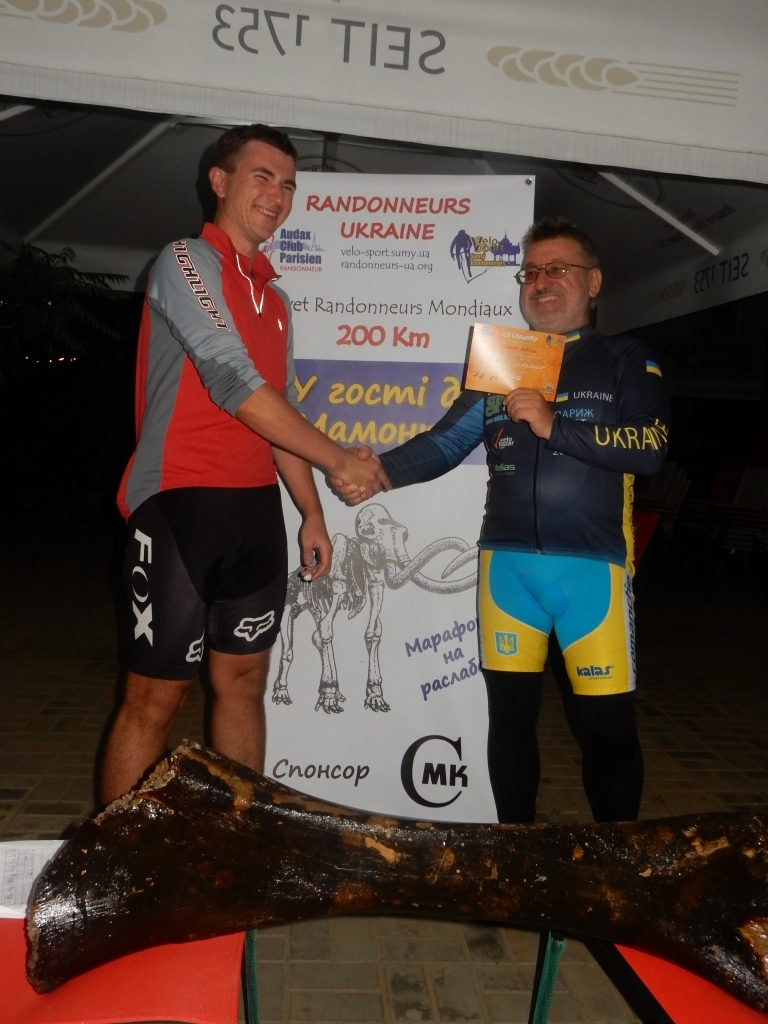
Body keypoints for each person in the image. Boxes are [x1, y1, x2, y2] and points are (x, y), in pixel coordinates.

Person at [342, 217, 669, 823]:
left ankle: (618, 861)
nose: (542, 282)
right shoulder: (504, 361)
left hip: (593, 574)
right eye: (532, 272)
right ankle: (514, 852)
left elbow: (649, 447)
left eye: (558, 269)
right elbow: (444, 444)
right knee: (511, 722)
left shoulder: (626, 358)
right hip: (506, 570)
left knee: (608, 731)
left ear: (593, 282)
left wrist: (552, 424)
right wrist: (373, 470)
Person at [101, 124, 390, 804]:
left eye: (288, 184)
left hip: (257, 513)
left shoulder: (277, 300)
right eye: (262, 176)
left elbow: (277, 410)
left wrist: (311, 511)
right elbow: (232, 380)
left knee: (243, 685)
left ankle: (239, 840)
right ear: (219, 180)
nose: (277, 194)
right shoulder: (185, 260)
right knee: (155, 697)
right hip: (179, 505)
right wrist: (340, 459)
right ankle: (116, 852)